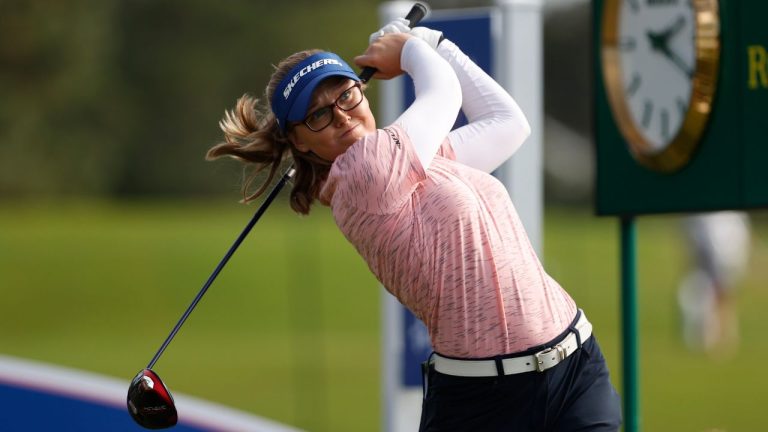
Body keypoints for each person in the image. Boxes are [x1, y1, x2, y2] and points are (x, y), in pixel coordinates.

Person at [207, 21, 622, 431]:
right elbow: (444, 93)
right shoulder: (363, 175)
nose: (340, 116)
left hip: (575, 368)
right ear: (299, 141)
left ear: (362, 92)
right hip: (485, 403)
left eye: (346, 96)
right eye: (317, 114)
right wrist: (408, 50)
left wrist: (433, 41)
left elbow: (508, 124)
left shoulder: (416, 162)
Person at [677, 211, 751, 356]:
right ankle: (713, 334)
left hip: (723, 248)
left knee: (721, 291)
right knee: (710, 290)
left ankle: (721, 335)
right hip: (715, 246)